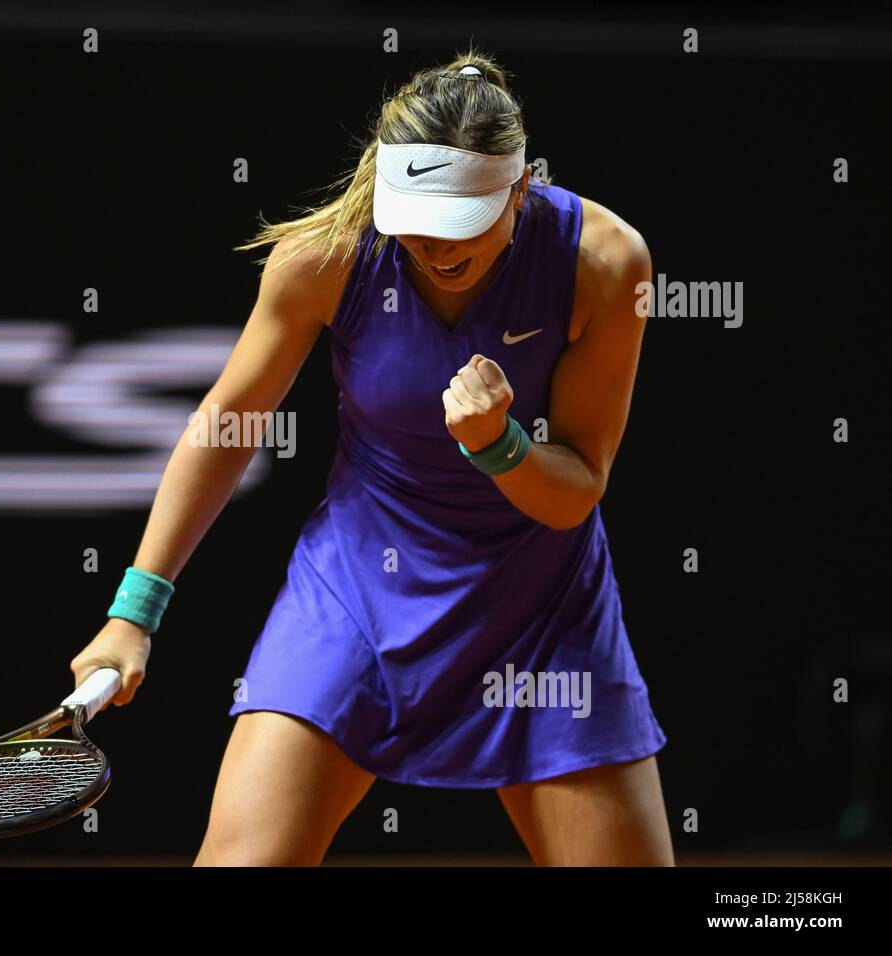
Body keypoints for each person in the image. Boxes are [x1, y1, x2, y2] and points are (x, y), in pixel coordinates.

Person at [71, 48, 675, 866]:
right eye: (413, 216)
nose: (430, 243)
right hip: (356, 593)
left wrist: (498, 445)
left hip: (540, 610)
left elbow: (574, 494)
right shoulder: (327, 258)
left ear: (521, 187)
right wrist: (131, 614)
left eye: (459, 220)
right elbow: (228, 423)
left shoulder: (605, 263)